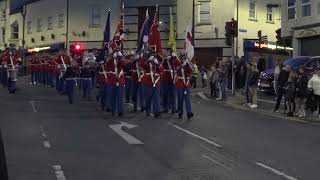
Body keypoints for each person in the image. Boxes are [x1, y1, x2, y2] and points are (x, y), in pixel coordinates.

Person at [106, 51, 126, 117]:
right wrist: (111, 57)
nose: (116, 54)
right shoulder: (111, 61)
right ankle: (113, 110)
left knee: (120, 97)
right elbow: (107, 66)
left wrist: (121, 57)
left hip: (120, 81)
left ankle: (120, 111)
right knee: (112, 97)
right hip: (112, 81)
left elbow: (124, 65)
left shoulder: (121, 60)